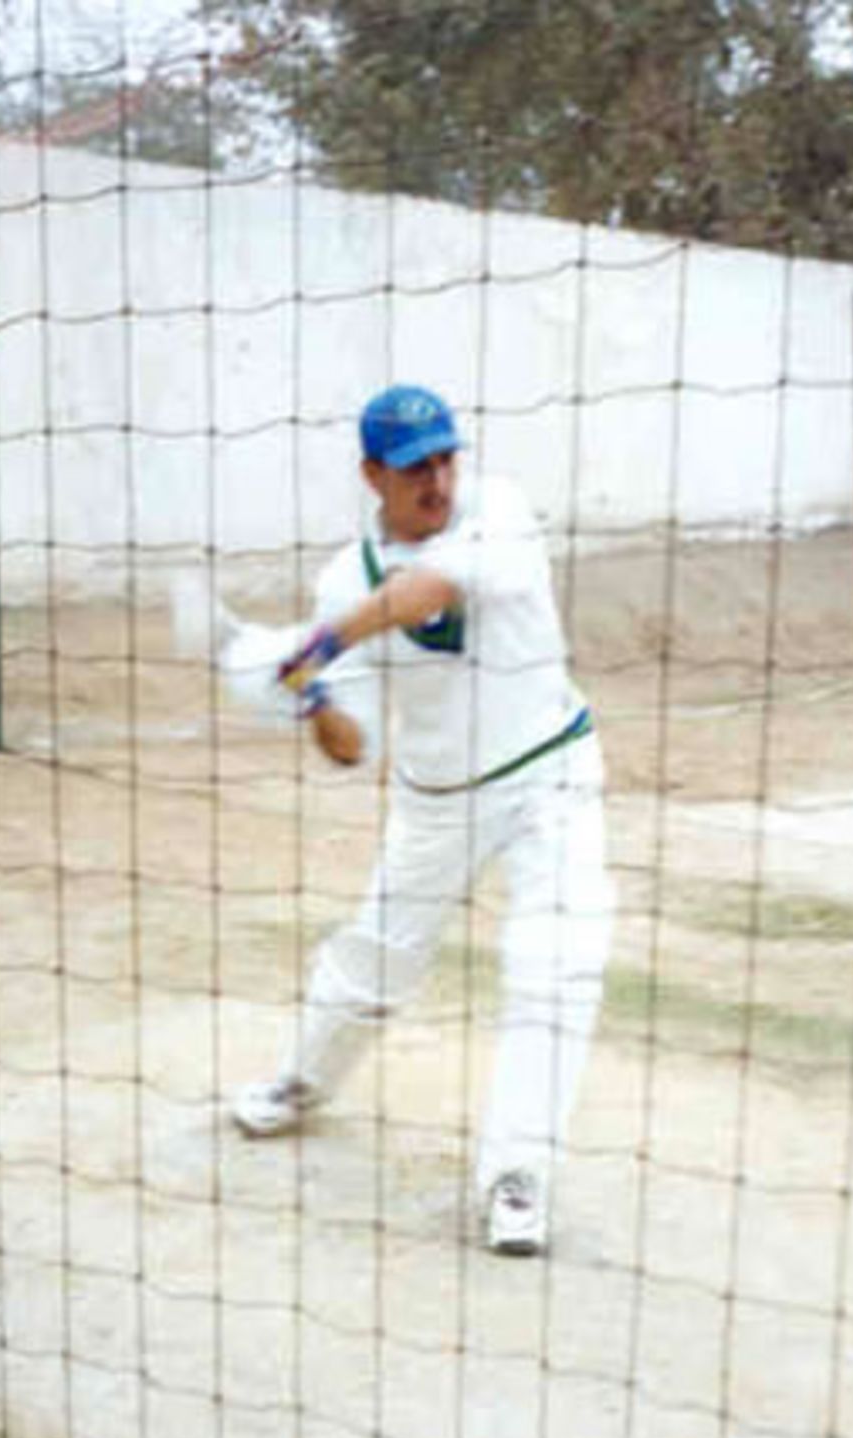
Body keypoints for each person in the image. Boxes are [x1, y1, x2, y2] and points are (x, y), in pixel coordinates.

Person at [232, 384, 613, 1256]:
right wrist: (311, 700)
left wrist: (320, 643)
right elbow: (353, 745)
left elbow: (425, 592)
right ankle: (303, 1080)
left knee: (555, 966)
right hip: (435, 799)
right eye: (414, 468)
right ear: (373, 475)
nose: (437, 480)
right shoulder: (340, 578)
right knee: (372, 961)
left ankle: (517, 1175)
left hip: (549, 773)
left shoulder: (500, 512)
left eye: (446, 458)